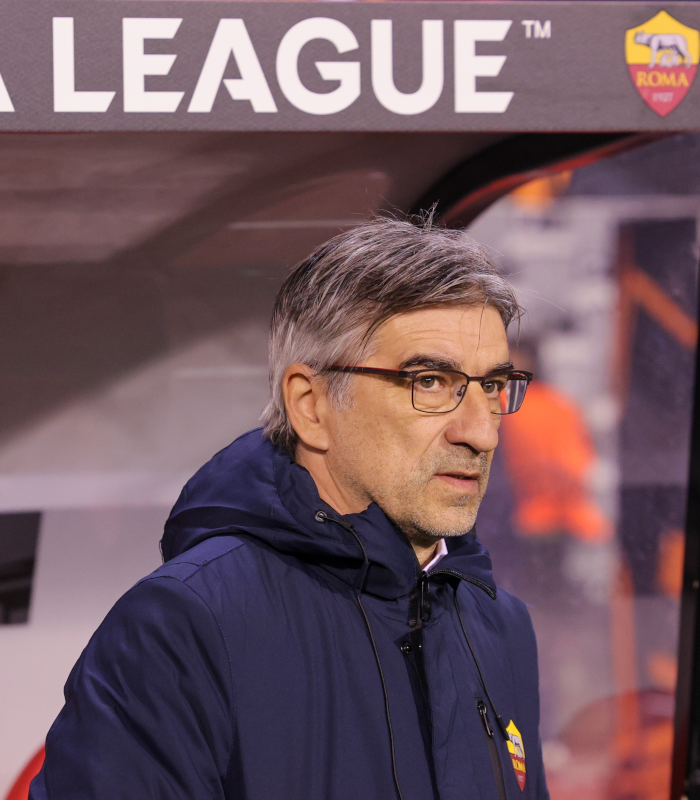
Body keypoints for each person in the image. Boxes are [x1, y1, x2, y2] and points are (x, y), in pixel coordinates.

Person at [30, 216, 547, 800]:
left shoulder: (502, 627)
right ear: (310, 405)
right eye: (429, 381)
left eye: (493, 386)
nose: (481, 432)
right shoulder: (185, 624)